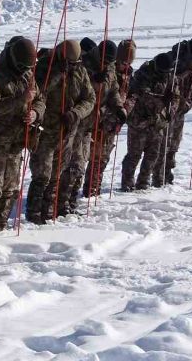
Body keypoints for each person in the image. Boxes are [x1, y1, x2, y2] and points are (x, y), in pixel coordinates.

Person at [0, 37, 43, 234]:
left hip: (16, 144)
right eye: (22, 66)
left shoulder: (27, 75)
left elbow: (40, 99)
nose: (25, 70)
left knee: (10, 192)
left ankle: (0, 231)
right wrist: (21, 100)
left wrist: (35, 112)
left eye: (28, 67)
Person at [26, 40, 95, 224]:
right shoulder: (44, 68)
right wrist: (58, 73)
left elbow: (90, 99)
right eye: (70, 63)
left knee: (58, 173)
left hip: (67, 131)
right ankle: (34, 216)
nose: (73, 66)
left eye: (76, 63)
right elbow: (38, 93)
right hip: (45, 130)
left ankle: (49, 212)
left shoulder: (80, 70)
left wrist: (76, 113)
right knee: (42, 174)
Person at [58, 40, 120, 216]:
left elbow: (113, 89)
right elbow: (76, 92)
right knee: (69, 166)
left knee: (80, 165)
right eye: (105, 60)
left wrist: (119, 107)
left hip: (89, 126)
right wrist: (94, 81)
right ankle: (60, 204)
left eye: (110, 61)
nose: (107, 63)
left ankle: (71, 201)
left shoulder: (109, 68)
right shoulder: (83, 63)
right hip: (75, 123)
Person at [83, 39, 136, 197]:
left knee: (102, 159)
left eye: (128, 63)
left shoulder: (127, 75)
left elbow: (130, 97)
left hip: (111, 124)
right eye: (122, 62)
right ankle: (84, 189)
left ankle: (93, 190)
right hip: (95, 121)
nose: (124, 65)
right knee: (87, 157)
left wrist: (123, 109)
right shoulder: (102, 70)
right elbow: (94, 96)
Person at [152, 38, 192, 187]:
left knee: (174, 146)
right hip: (168, 110)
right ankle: (158, 179)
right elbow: (181, 72)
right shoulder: (176, 59)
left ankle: (167, 176)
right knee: (164, 145)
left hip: (181, 111)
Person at [120, 52, 178, 191]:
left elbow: (175, 97)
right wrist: (162, 100)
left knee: (153, 155)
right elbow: (141, 96)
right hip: (139, 121)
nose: (165, 75)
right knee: (134, 155)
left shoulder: (170, 75)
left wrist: (171, 110)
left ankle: (143, 182)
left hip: (158, 122)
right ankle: (127, 182)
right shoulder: (143, 74)